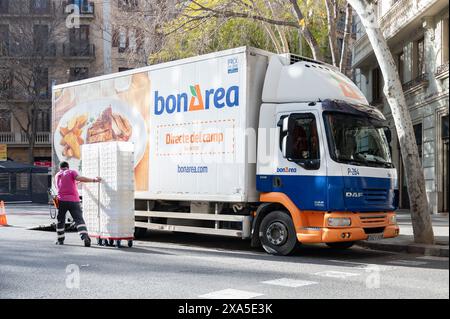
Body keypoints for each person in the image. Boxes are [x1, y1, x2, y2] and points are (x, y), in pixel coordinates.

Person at [54, 161, 102, 247]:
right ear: (68, 167)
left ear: (60, 168)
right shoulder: (71, 172)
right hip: (74, 201)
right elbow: (80, 178)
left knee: (60, 220)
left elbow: (62, 186)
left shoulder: (57, 175)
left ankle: (60, 240)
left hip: (62, 201)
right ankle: (85, 237)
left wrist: (75, 183)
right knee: (79, 220)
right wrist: (94, 180)